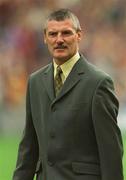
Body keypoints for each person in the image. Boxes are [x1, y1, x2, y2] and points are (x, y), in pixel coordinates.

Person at [13, 9, 124, 180]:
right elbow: (29, 147)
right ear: (44, 38)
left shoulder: (98, 83)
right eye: (52, 34)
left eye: (66, 33)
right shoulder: (35, 81)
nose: (59, 40)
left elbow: (111, 152)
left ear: (79, 35)